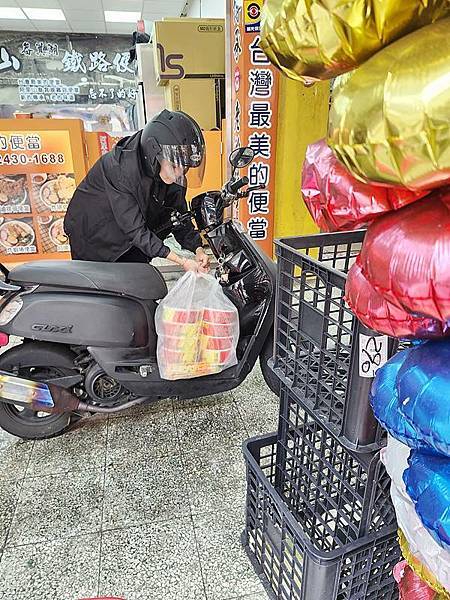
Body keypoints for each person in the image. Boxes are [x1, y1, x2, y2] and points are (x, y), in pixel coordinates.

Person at [64, 110, 210, 273]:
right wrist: (181, 261)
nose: (179, 174)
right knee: (105, 287)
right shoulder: (120, 169)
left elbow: (177, 216)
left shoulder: (170, 172)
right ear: (154, 154)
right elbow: (135, 229)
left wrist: (198, 250)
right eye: (174, 166)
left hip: (131, 238)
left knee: (138, 279)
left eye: (186, 167)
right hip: (95, 235)